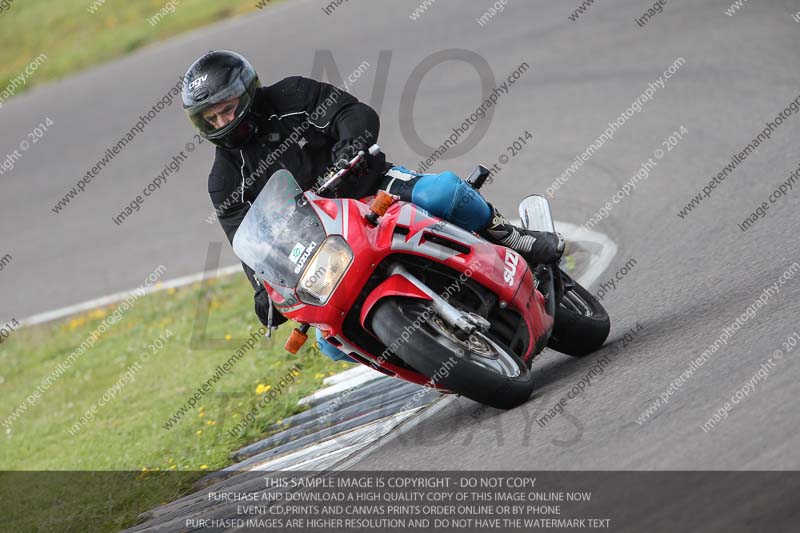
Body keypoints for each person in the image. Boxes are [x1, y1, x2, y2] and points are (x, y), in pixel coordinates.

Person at [182, 50, 563, 360]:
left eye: (227, 108)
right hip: (322, 243)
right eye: (210, 117)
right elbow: (247, 242)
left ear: (247, 92)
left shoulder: (292, 95)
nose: (222, 121)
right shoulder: (225, 180)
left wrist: (351, 143)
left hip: (370, 189)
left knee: (440, 193)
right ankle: (432, 353)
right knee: (330, 345)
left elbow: (351, 111)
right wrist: (264, 292)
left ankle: (509, 235)